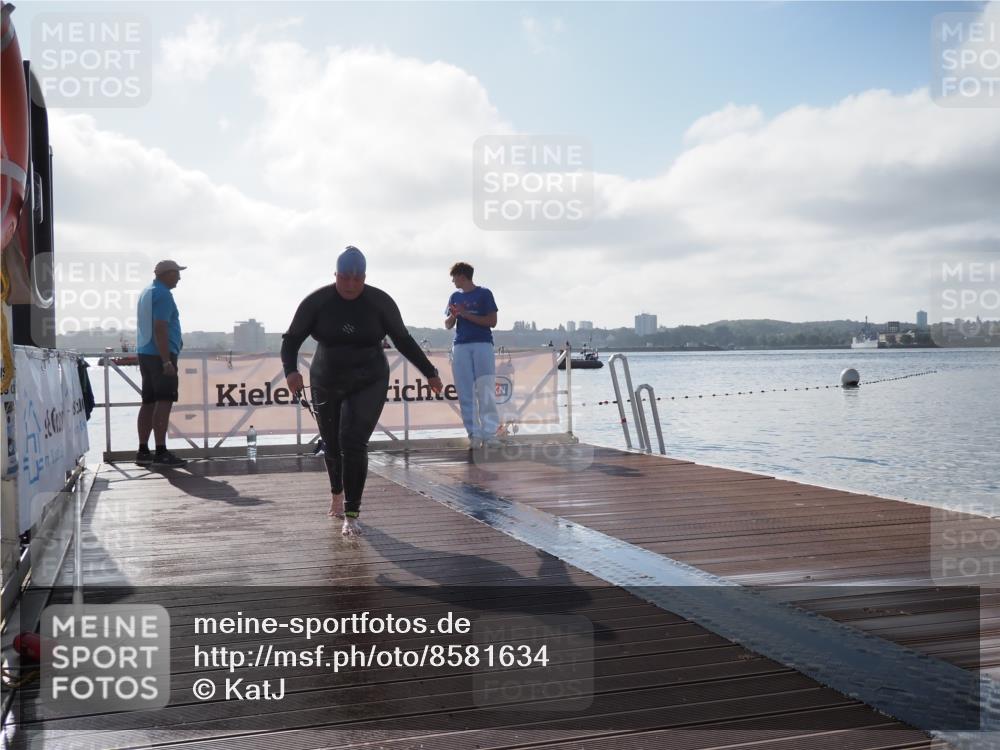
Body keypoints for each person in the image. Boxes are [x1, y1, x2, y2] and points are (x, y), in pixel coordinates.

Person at [282, 246, 443, 536]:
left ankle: (352, 513)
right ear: (336, 276)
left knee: (353, 442)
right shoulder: (317, 302)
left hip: (369, 378)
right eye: (345, 278)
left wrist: (430, 372)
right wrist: (291, 371)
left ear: (365, 277)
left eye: (358, 279)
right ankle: (336, 494)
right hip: (326, 377)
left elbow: (403, 341)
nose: (351, 285)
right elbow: (291, 339)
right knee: (332, 443)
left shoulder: (379, 302)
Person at [135, 260, 188, 468]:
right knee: (164, 401)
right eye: (176, 273)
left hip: (145, 352)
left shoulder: (147, 291)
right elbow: (160, 327)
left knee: (148, 402)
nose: (179, 278)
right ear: (166, 274)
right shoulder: (164, 294)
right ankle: (160, 451)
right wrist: (166, 360)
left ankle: (143, 450)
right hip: (160, 356)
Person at [444, 261, 500, 449]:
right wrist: (454, 315)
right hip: (460, 345)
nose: (452, 281)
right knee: (465, 391)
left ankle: (490, 434)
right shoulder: (454, 296)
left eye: (454, 277)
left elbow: (492, 321)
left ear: (462, 275)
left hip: (482, 344)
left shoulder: (484, 293)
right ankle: (474, 434)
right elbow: (447, 325)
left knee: (486, 389)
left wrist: (467, 315)